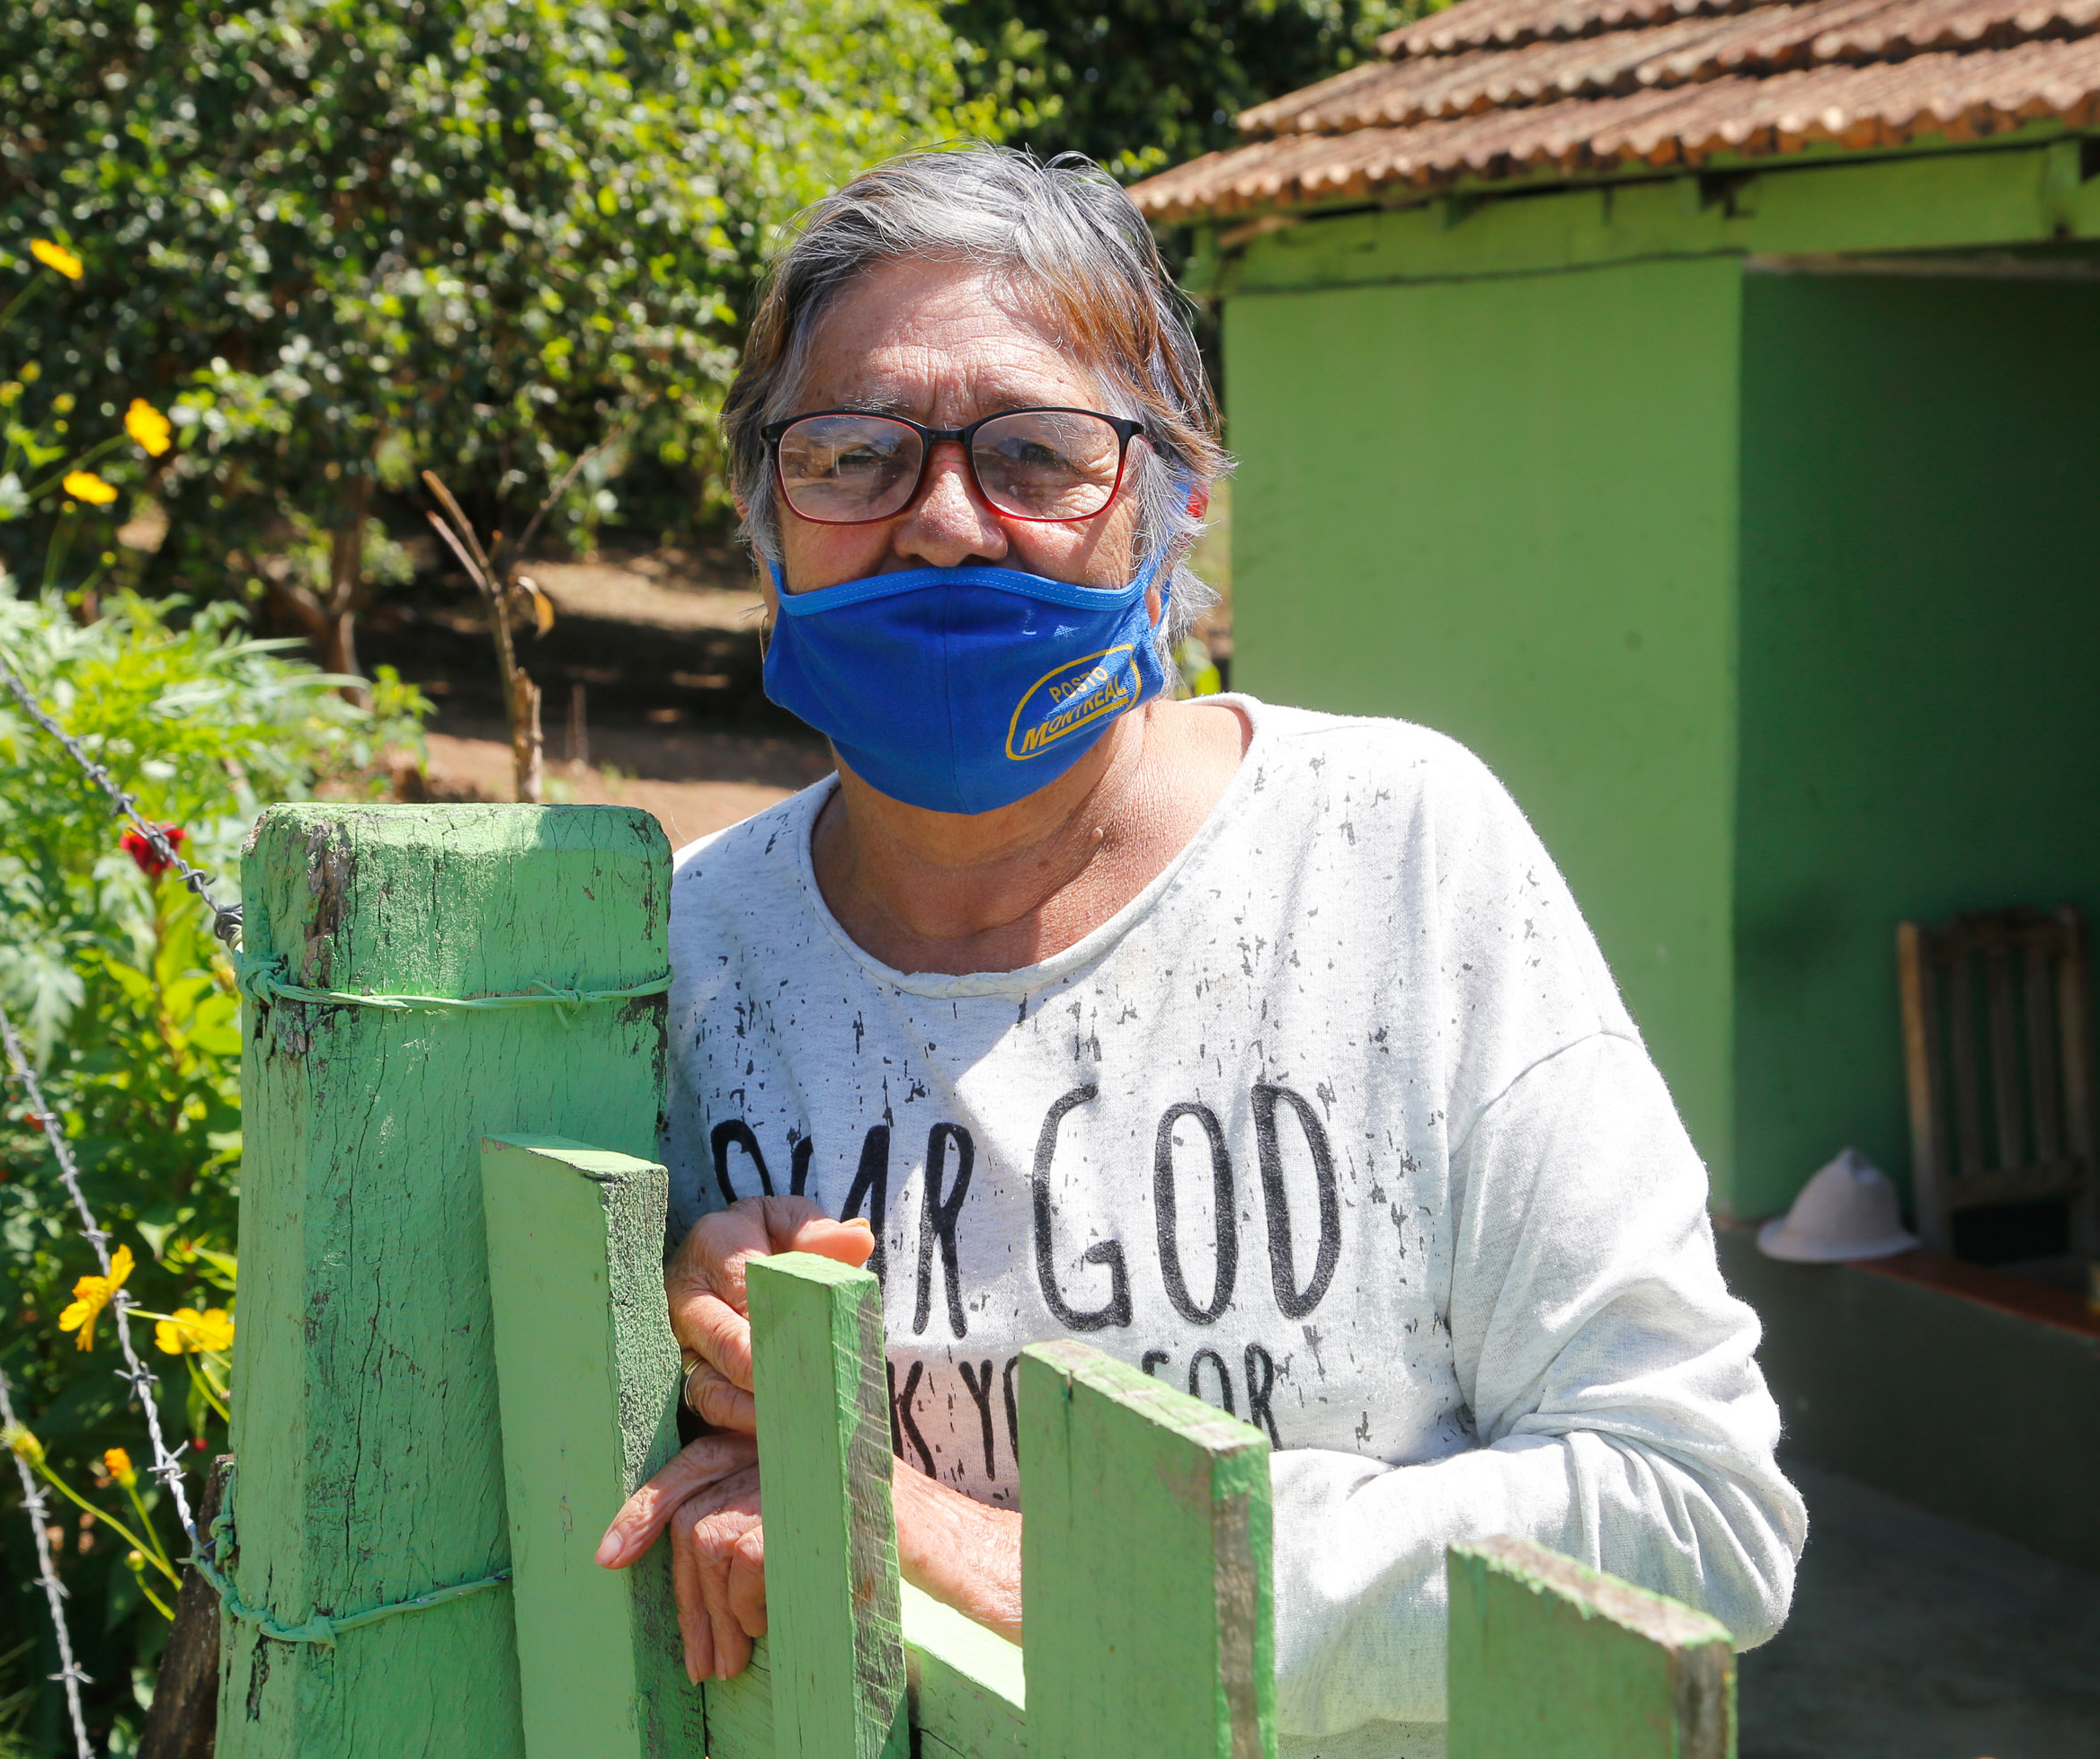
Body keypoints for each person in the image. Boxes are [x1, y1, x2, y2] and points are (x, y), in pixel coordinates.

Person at [592, 146, 1804, 1757]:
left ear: (1175, 499)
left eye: (1036, 454)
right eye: (855, 454)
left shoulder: (1395, 852)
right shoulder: (682, 952)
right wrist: (668, 1365)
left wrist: (1028, 1561)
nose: (947, 522)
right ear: (768, 518)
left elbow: (1697, 1515)